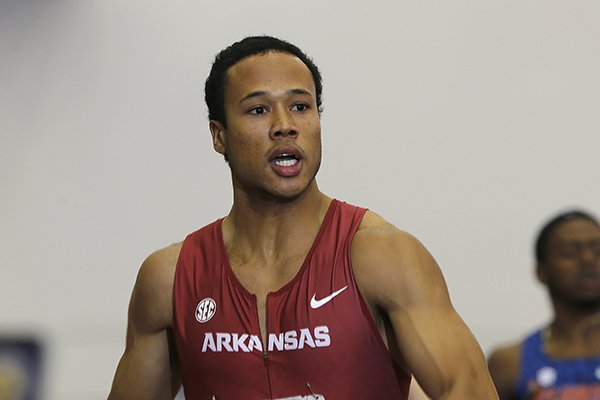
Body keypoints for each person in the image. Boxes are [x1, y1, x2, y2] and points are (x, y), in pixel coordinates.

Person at [107, 35, 497, 400]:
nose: (285, 126)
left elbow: (468, 390)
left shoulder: (383, 257)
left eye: (300, 106)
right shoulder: (169, 278)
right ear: (219, 135)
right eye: (259, 110)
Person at [488, 210, 600, 399]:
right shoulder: (510, 364)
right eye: (570, 252)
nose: (588, 260)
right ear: (541, 271)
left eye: (598, 251)